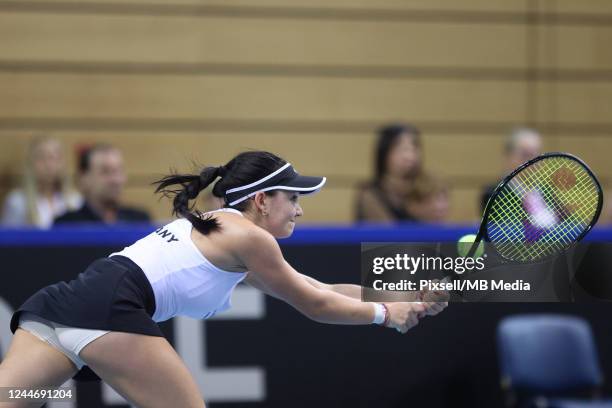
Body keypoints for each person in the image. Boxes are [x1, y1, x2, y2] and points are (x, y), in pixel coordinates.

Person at [0, 151, 448, 408]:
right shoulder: (250, 238)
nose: (300, 208)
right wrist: (385, 316)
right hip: (109, 310)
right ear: (260, 200)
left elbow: (319, 288)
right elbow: (316, 306)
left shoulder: (226, 232)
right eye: (292, 197)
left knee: (19, 395)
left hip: (60, 306)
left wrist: (403, 294)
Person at [54, 144, 150, 225]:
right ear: (83, 178)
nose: (116, 180)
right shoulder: (66, 224)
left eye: (119, 171)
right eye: (105, 171)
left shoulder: (140, 221)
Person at [1, 137, 81, 228]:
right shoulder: (17, 201)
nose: (49, 165)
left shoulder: (75, 200)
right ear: (30, 163)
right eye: (42, 158)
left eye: (55, 158)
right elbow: (9, 239)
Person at [354, 124, 424, 222]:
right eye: (401, 149)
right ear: (384, 153)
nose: (408, 156)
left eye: (413, 149)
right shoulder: (370, 194)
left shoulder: (425, 190)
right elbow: (388, 234)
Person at [480, 127, 543, 213]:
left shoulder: (549, 193)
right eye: (525, 154)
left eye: (536, 155)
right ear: (508, 156)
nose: (532, 161)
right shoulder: (493, 194)